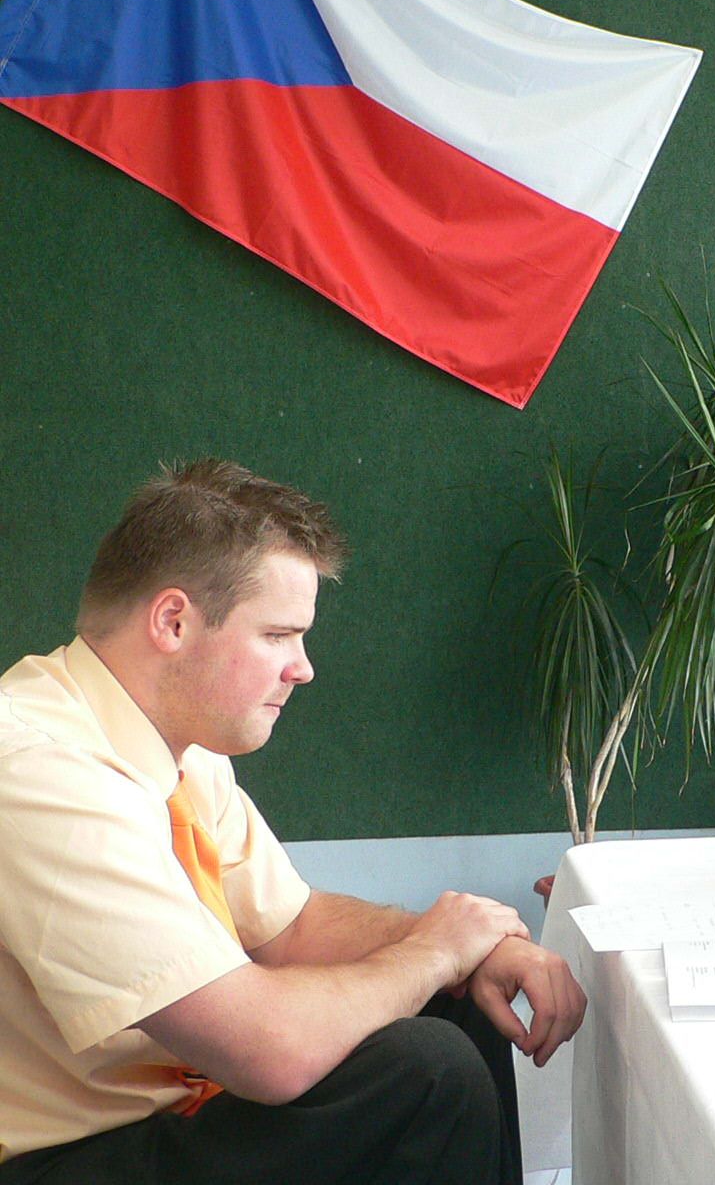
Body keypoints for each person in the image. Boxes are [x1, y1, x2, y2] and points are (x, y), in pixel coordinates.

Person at [0, 460, 585, 1183]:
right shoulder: (38, 772)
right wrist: (432, 952)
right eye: (278, 634)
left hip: (172, 1116)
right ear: (174, 621)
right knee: (426, 1069)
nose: (302, 668)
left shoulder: (178, 744)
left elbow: (292, 927)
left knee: (455, 1005)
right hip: (59, 1160)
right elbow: (268, 1051)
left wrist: (467, 944)